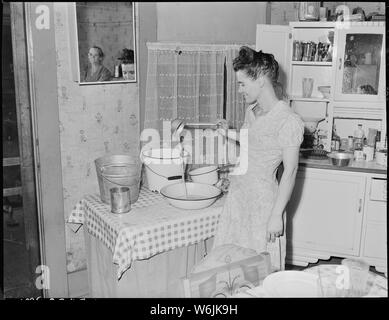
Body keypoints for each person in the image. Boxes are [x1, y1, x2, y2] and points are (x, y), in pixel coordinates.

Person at [212, 46, 304, 271]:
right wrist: (228, 133)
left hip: (263, 205)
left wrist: (276, 215)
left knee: (257, 272)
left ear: (261, 79)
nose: (240, 90)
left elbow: (290, 172)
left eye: (242, 83)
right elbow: (253, 141)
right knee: (230, 268)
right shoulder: (252, 111)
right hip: (238, 198)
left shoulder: (288, 120)